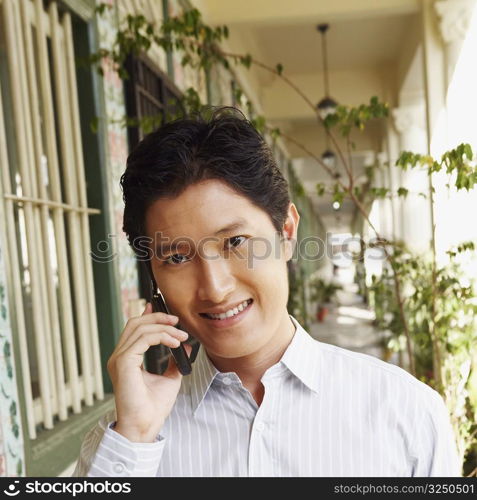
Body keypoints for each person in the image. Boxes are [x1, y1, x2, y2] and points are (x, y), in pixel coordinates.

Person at [73, 108, 460, 477]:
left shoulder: (406, 413)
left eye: (236, 241)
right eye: (176, 257)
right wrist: (135, 438)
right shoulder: (122, 444)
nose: (215, 287)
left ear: (286, 232)